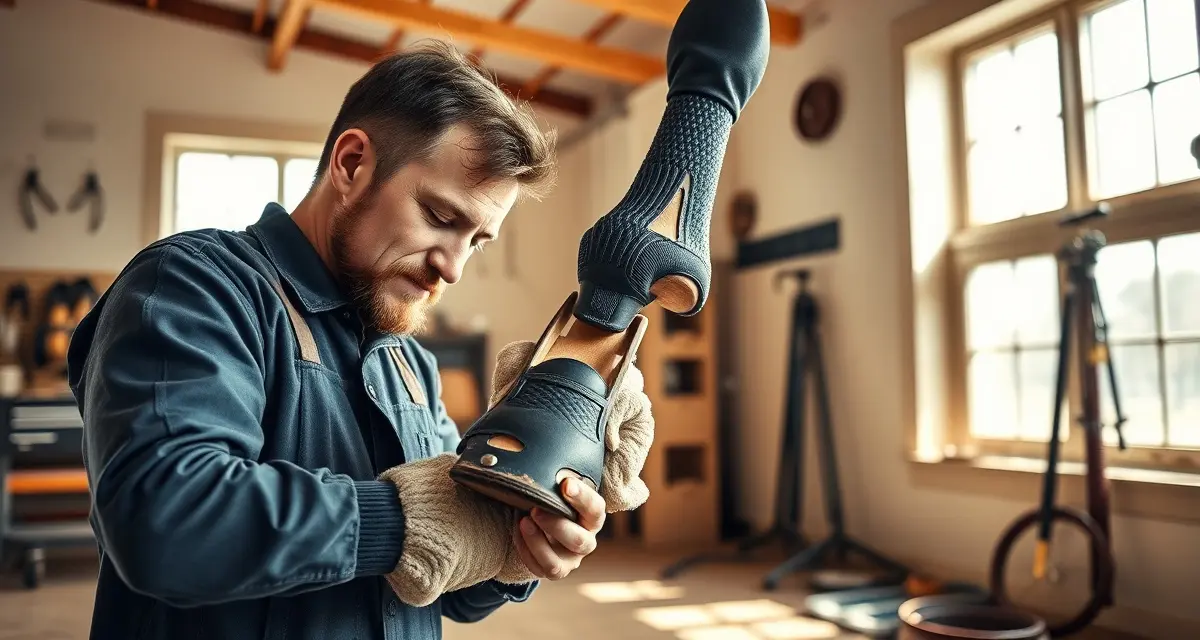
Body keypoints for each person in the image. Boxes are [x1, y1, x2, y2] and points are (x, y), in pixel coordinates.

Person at [66, 40, 655, 640]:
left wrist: (516, 540)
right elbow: (164, 521)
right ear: (351, 164)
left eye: (476, 241)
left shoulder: (410, 363)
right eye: (441, 217)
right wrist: (400, 518)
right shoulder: (196, 287)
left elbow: (440, 589)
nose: (452, 268)